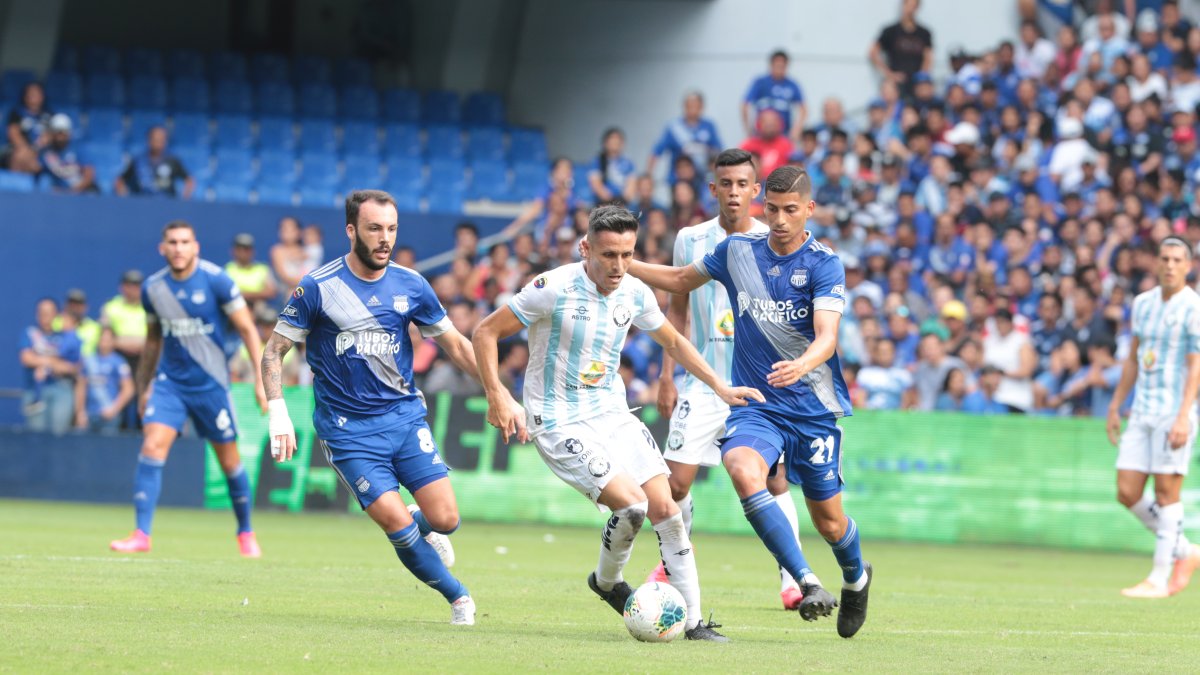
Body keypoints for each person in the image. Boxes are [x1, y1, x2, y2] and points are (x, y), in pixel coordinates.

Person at [472, 203, 764, 642]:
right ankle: (608, 583)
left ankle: (694, 622)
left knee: (667, 511)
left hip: (611, 411)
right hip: (557, 419)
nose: (619, 265)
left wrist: (720, 387)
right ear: (586, 247)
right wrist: (497, 393)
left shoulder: (635, 291)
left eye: (627, 255)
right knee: (631, 506)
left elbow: (674, 341)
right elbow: (484, 333)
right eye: (609, 255)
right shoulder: (551, 288)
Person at [625, 165, 872, 639]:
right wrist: (618, 261)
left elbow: (827, 337)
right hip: (757, 403)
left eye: (790, 211)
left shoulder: (824, 263)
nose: (779, 220)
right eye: (773, 210)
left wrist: (802, 364)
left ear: (809, 211)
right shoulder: (737, 252)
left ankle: (857, 579)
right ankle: (804, 581)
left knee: (830, 522)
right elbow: (678, 280)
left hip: (813, 410)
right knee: (741, 467)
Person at [262, 190, 512, 626]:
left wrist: (497, 390)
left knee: (446, 520)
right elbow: (272, 352)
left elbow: (454, 343)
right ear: (351, 230)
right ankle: (459, 599)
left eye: (392, 229)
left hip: (403, 419)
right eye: (375, 228)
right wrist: (278, 411)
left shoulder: (412, 284)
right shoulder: (317, 287)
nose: (385, 238)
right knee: (397, 529)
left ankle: (422, 524)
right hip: (347, 432)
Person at [640, 148, 806, 610]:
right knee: (674, 485)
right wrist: (667, 375)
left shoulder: (774, 239)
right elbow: (677, 306)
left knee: (773, 482)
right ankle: (675, 559)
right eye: (725, 184)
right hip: (701, 379)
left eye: (742, 184)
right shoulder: (690, 239)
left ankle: (792, 577)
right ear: (713, 189)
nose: (734, 192)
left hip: (757, 382)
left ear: (757, 191)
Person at [109, 221, 268, 557]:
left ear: (195, 246)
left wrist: (260, 379)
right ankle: (141, 534)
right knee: (152, 446)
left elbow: (248, 330)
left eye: (184, 242)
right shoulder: (153, 289)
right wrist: (144, 387)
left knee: (229, 463)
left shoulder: (217, 281)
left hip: (212, 386)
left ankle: (245, 532)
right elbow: (153, 340)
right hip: (171, 385)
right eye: (172, 242)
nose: (178, 248)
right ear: (162, 248)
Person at [1105, 236, 1200, 598]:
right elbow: (1132, 357)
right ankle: (1185, 551)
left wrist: (1183, 416)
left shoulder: (1194, 307)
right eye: (1165, 258)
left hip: (1173, 411)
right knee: (1127, 491)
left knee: (1166, 492)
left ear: (1188, 266)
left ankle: (1159, 577)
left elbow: (1196, 365)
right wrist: (1116, 404)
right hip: (1141, 410)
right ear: (1156, 263)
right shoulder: (1142, 304)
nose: (1170, 265)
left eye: (1178, 259)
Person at [19, 297, 81, 434]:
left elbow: (73, 366)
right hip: (35, 391)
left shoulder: (65, 336)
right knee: (35, 436)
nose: (44, 316)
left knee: (59, 435)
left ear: (56, 314)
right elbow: (26, 358)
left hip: (61, 389)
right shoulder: (30, 333)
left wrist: (42, 361)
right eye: (41, 312)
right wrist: (54, 363)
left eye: (48, 312)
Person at [647, 91, 722, 187]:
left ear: (702, 107)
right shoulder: (673, 127)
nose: (692, 109)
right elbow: (656, 153)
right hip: (678, 179)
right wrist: (649, 175)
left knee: (711, 188)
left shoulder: (709, 126)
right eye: (690, 106)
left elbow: (719, 152)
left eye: (696, 106)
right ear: (684, 106)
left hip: (703, 177)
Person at [869, 0, 934, 97]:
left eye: (913, 6)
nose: (910, 9)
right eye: (908, 5)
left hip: (916, 83)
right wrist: (889, 74)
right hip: (896, 83)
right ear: (903, 5)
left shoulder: (924, 33)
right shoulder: (890, 31)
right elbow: (873, 52)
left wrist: (922, 76)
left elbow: (928, 57)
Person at [78, 327, 134, 433]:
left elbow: (129, 389)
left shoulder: (118, 362)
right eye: (102, 339)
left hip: (109, 417)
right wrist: (80, 412)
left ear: (113, 342)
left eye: (108, 340)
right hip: (90, 415)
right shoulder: (89, 361)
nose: (104, 343)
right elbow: (81, 387)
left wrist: (114, 409)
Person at [742, 50, 807, 142]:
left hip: (783, 135)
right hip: (761, 136)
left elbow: (804, 110)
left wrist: (796, 130)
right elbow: (745, 105)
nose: (779, 69)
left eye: (782, 66)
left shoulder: (792, 85)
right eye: (777, 65)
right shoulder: (760, 83)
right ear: (771, 65)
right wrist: (748, 129)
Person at [115, 126, 195, 199]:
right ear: (149, 140)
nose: (158, 142)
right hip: (141, 204)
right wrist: (124, 196)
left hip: (167, 205)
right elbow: (120, 180)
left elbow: (189, 180)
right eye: (155, 139)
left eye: (162, 139)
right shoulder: (138, 160)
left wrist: (185, 198)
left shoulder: (173, 161)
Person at [2, 81, 52, 174]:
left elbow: (49, 136)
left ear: (42, 96)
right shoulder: (17, 113)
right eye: (30, 93)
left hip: (41, 151)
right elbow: (13, 133)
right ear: (25, 96)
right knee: (19, 155)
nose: (33, 95)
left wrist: (35, 149)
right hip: (21, 150)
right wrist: (28, 151)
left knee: (46, 159)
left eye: (36, 93)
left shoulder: (49, 115)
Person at [39, 114, 96, 194]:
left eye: (64, 133)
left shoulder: (77, 148)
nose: (60, 137)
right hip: (60, 196)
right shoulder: (46, 153)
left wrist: (71, 192)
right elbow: (32, 167)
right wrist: (38, 145)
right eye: (58, 133)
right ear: (51, 134)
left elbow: (89, 174)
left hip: (81, 193)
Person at [224, 233, 279, 312]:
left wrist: (246, 295)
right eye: (239, 249)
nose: (243, 253)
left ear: (252, 251)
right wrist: (255, 294)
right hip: (236, 307)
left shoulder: (262, 269)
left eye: (246, 249)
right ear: (233, 251)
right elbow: (226, 294)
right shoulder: (228, 269)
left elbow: (271, 292)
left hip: (258, 307)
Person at [586, 127, 636, 204]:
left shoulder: (628, 163)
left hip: (622, 204)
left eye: (618, 139)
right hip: (603, 204)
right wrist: (610, 200)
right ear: (605, 143)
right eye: (612, 139)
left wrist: (622, 200)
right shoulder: (597, 161)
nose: (615, 142)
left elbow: (631, 186)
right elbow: (596, 184)